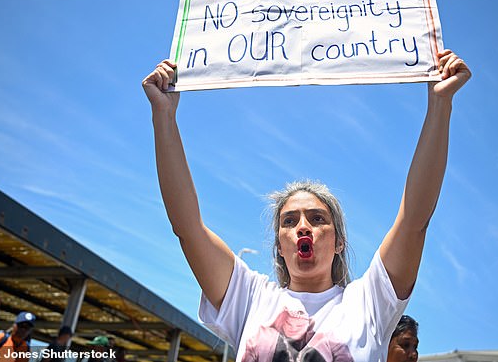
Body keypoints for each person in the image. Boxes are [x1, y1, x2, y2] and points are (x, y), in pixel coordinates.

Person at [142, 49, 471, 361]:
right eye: (288, 221)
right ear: (279, 248)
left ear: (340, 242)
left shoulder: (369, 302)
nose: (302, 226)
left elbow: (414, 220)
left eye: (317, 218)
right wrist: (164, 115)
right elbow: (186, 227)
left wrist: (440, 105)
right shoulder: (249, 297)